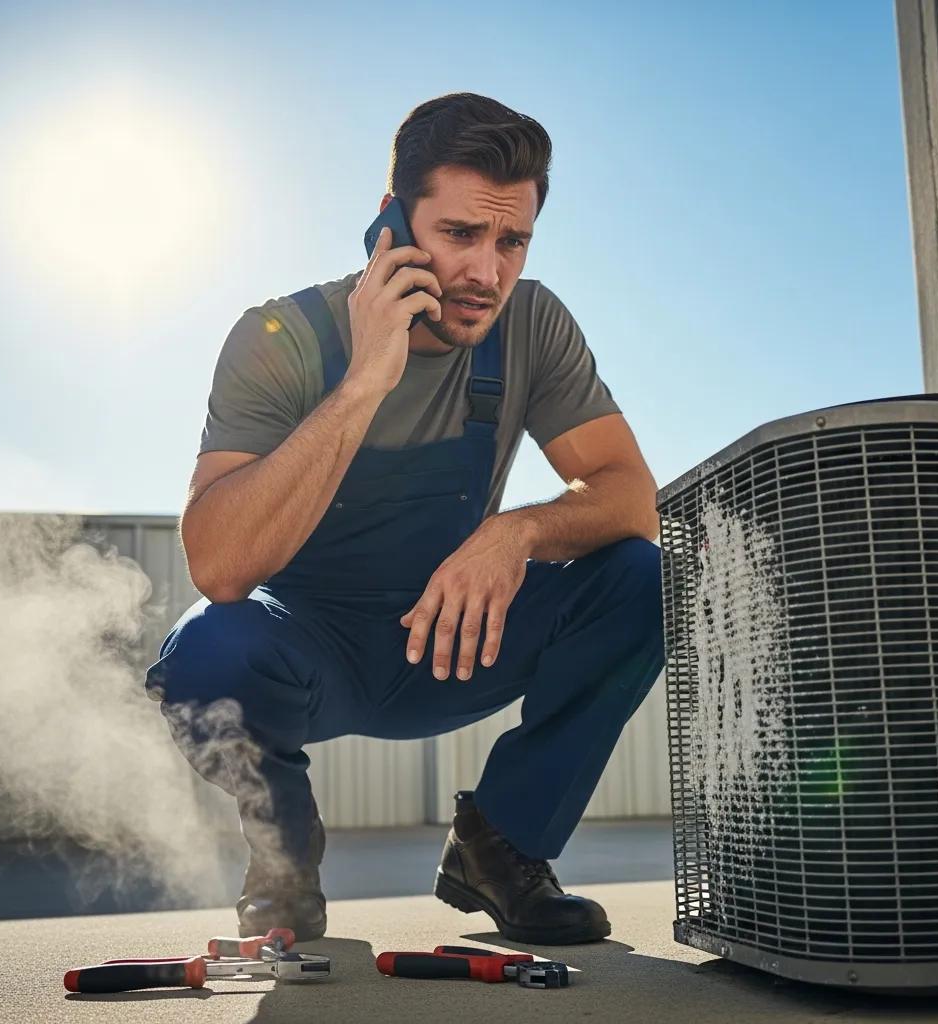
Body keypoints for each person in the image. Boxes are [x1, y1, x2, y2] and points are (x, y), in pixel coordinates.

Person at [146, 92, 665, 946]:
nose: (488, 273)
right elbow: (220, 564)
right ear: (389, 223)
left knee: (642, 580)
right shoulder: (280, 336)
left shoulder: (532, 324)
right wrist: (363, 383)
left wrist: (515, 533)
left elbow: (630, 497)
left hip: (457, 636)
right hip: (313, 652)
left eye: (512, 240)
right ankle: (283, 859)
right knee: (203, 651)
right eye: (461, 234)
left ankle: (502, 848)